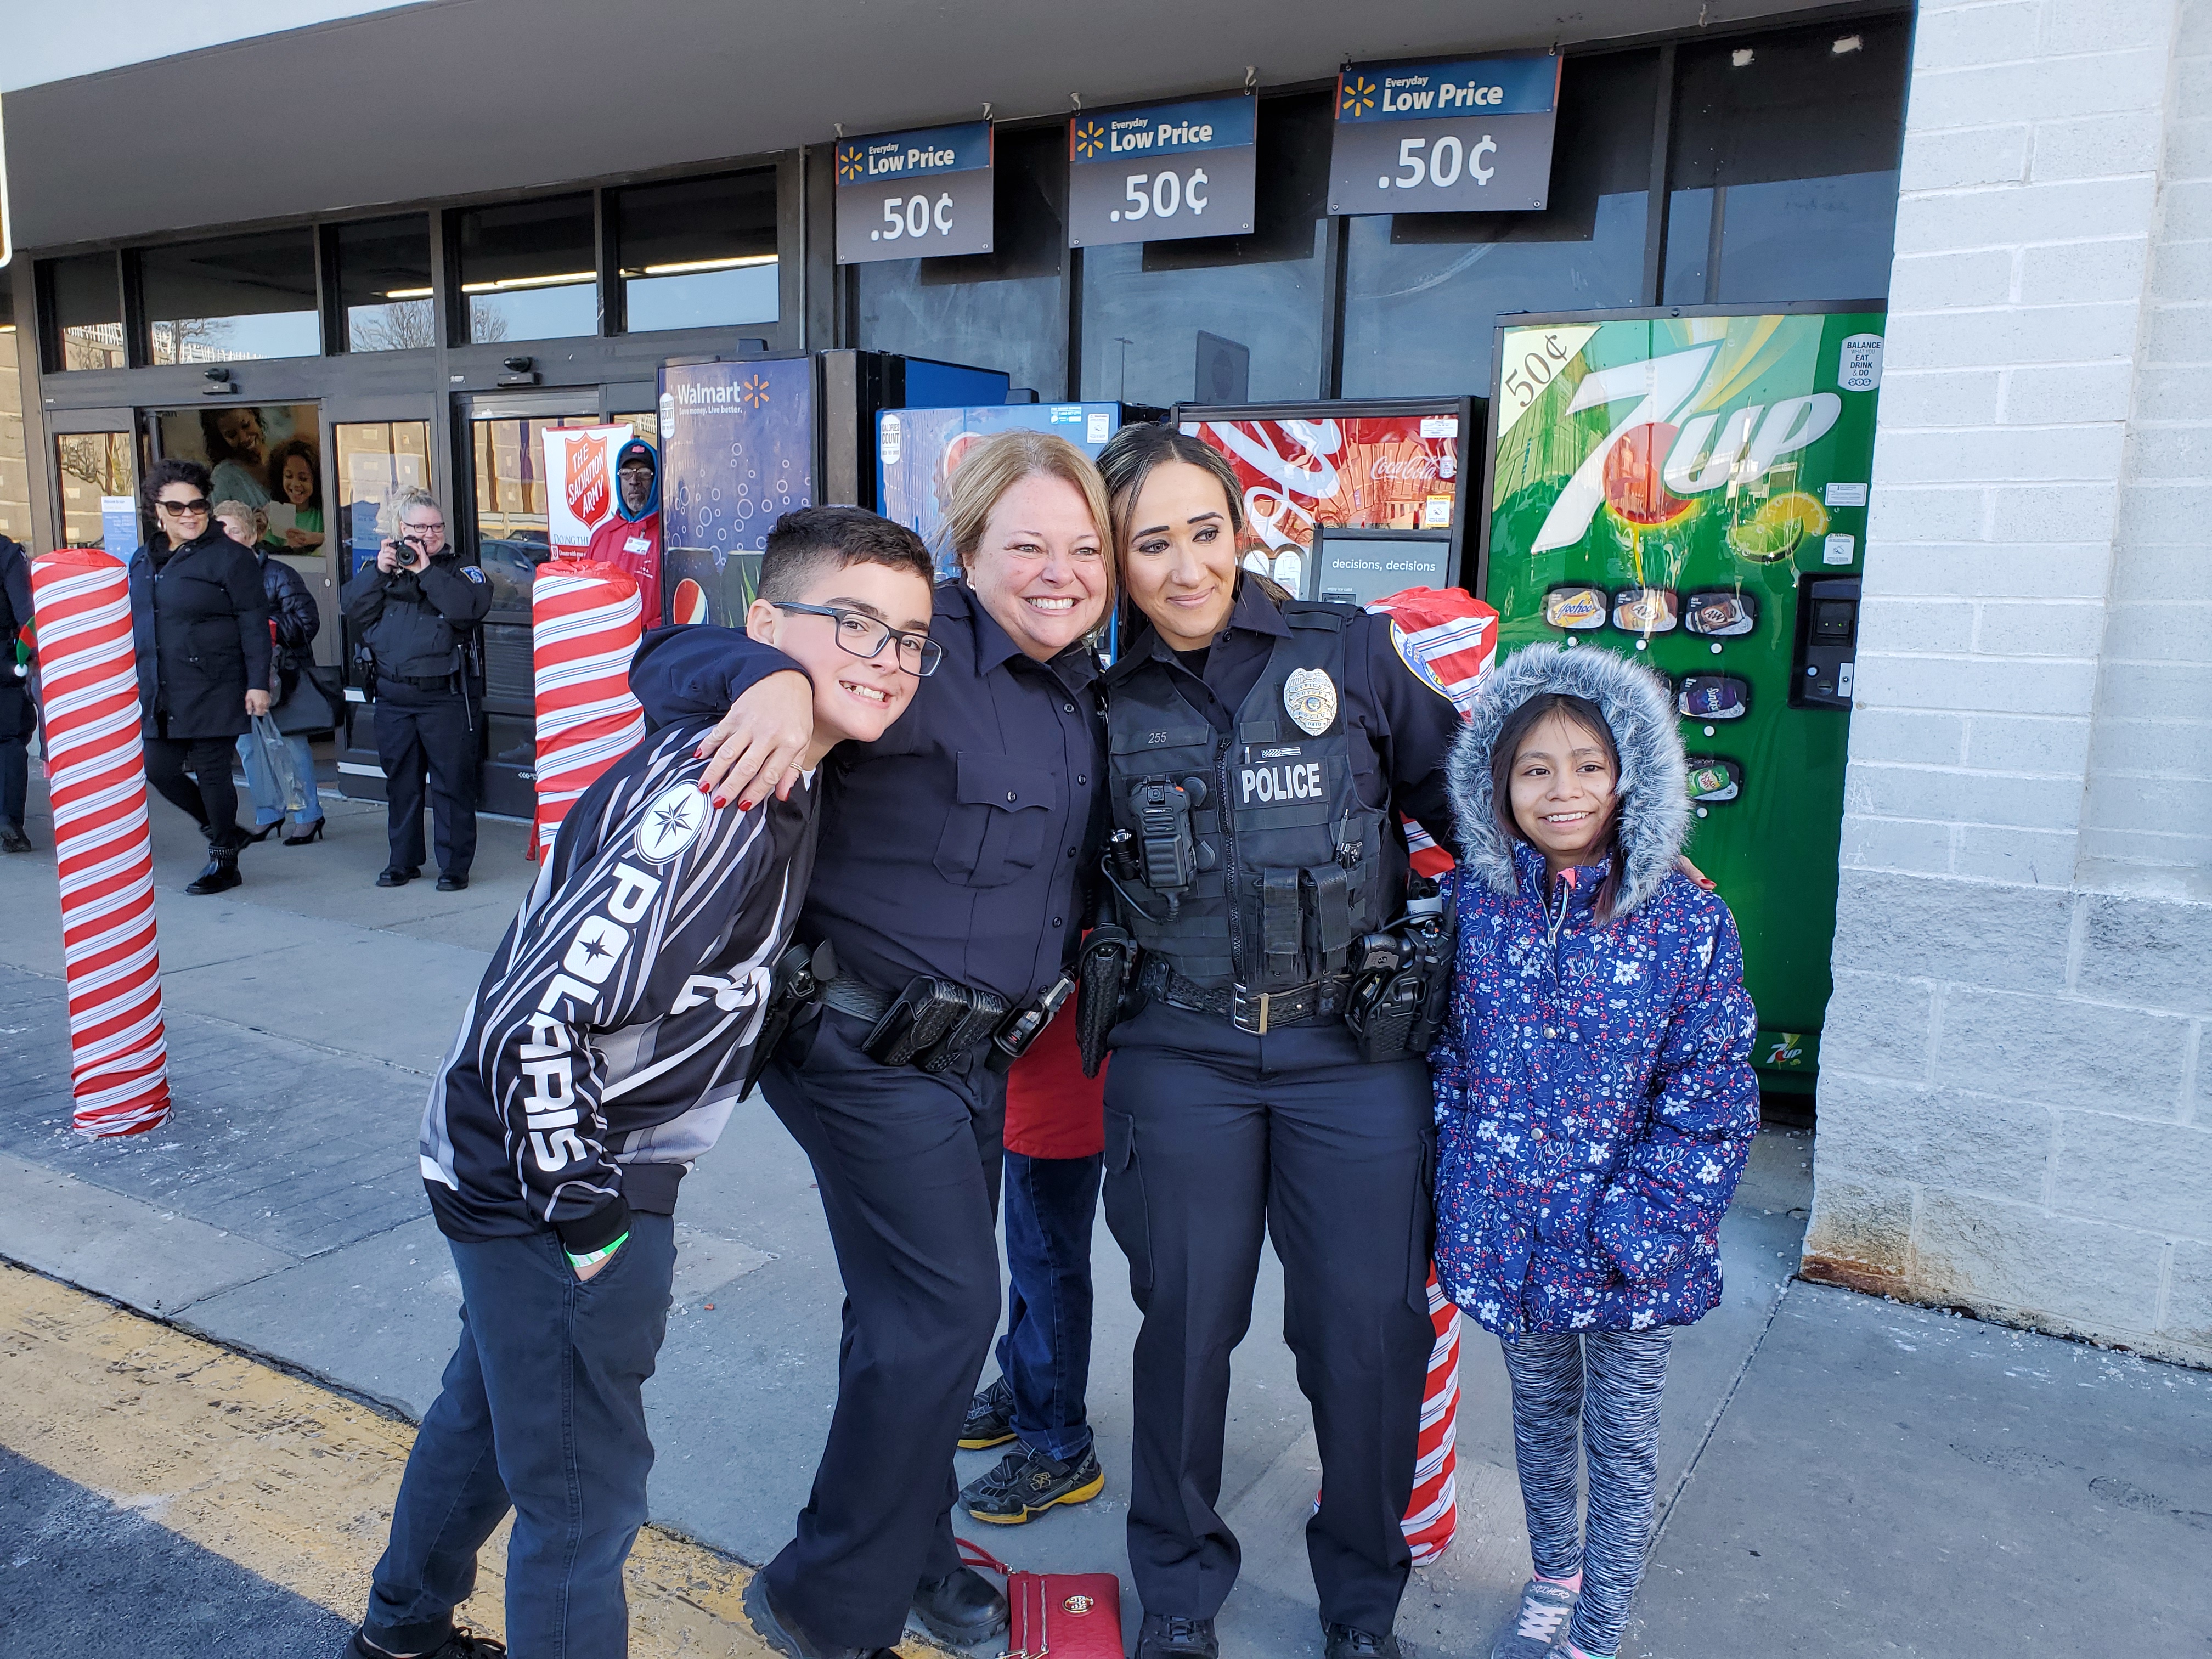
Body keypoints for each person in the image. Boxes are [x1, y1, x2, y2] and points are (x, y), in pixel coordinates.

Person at [344, 507, 936, 1659]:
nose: (886, 659)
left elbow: (668, 659)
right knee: (584, 1501)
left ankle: (399, 1631)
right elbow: (536, 1025)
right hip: (551, 1175)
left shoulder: (775, 751)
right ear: (767, 626)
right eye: (854, 623)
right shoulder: (724, 795)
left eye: (909, 638)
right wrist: (595, 1228)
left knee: (495, 1408)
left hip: (516, 1160)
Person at [628, 429, 1115, 1659]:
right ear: (971, 548)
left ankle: (918, 1553)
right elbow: (668, 655)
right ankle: (826, 1598)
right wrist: (765, 681)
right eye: (1028, 545)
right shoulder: (908, 640)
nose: (1059, 572)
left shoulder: (1082, 681)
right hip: (860, 1046)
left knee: (903, 1317)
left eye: (1084, 549)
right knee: (948, 1310)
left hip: (977, 1059)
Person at [1088, 423, 1464, 1659]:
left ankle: (1361, 1606)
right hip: (1179, 1051)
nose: (1187, 565)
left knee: (1366, 1337)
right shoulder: (1095, 694)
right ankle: (1178, 1596)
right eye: (1152, 543)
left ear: (1243, 529)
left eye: (1206, 531)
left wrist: (1615, 860)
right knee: (1185, 1331)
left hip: (1352, 1055)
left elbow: (1468, 797)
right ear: (1117, 558)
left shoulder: (1346, 651)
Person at [1426, 646, 1758, 1659]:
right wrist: (1468, 1188)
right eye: (1534, 768)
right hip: (1515, 1234)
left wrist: (1637, 1227)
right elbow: (1449, 1058)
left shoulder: (1686, 920)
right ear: (1497, 783)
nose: (1562, 790)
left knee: (1620, 1440)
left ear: (1630, 777)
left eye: (1588, 765)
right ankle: (1553, 1576)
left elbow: (1712, 1094)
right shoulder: (1475, 907)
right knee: (1537, 1419)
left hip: (1627, 1252)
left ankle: (1596, 1629)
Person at [956, 1010, 1108, 1526]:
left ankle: (1059, 1442)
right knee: (1032, 1257)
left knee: (1049, 1266)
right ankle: (1029, 1385)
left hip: (1059, 1083)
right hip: (1027, 1074)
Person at [127, 459, 272, 895]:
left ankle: (225, 861)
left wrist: (258, 683)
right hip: (160, 686)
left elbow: (254, 622)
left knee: (212, 772)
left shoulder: (232, 558)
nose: (189, 514)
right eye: (176, 507)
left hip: (216, 683)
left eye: (198, 505)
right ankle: (222, 828)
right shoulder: (143, 559)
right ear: (157, 511)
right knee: (158, 768)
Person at [341, 487, 490, 891]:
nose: (429, 535)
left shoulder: (460, 569)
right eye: (420, 528)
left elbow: (468, 610)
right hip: (393, 695)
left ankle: (454, 866)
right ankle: (402, 861)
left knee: (452, 784)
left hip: (445, 696)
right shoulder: (382, 570)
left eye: (436, 527)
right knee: (401, 784)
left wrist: (426, 572)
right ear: (400, 528)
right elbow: (352, 608)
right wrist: (379, 572)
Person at [215, 500, 326, 845]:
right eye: (220, 531)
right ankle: (268, 813)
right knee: (248, 747)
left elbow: (308, 622)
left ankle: (308, 815)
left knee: (291, 745)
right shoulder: (211, 578)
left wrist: (262, 625)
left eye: (234, 531)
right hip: (234, 674)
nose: (227, 538)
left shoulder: (278, 573)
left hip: (281, 674)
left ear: (251, 536)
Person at [585, 437, 661, 627]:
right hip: (606, 642)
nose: (634, 481)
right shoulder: (601, 537)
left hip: (652, 644)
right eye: (626, 474)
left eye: (644, 473)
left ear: (657, 480)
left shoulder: (670, 538)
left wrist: (649, 634)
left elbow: (681, 604)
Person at [0, 529, 33, 853]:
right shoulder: (7, 554)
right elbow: (27, 613)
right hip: (4, 659)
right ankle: (9, 821)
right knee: (9, 739)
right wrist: (30, 655)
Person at [202, 406, 273, 511]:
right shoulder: (223, 479)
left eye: (246, 426)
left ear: (253, 414)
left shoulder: (282, 456)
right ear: (222, 439)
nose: (244, 438)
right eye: (232, 435)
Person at [266, 437, 326, 555]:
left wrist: (315, 538)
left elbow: (342, 540)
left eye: (303, 478)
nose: (295, 484)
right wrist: (287, 548)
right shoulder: (274, 512)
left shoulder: (324, 513)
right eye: (289, 476)